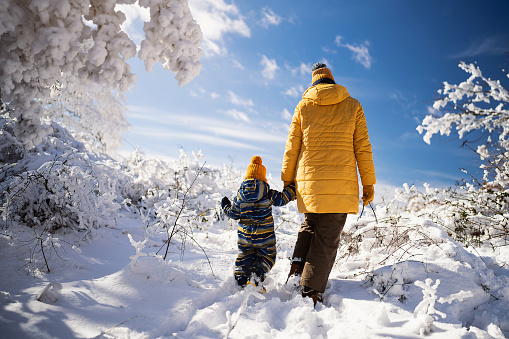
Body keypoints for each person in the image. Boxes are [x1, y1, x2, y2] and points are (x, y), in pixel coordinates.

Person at [281, 62, 376, 305]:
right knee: (326, 237)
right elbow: (362, 148)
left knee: (310, 226)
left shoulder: (303, 106)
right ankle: (309, 290)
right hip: (341, 186)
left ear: (314, 82)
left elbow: (292, 147)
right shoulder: (353, 105)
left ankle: (296, 271)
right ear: (332, 80)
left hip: (309, 183)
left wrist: (287, 180)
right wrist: (368, 184)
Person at [222, 156, 296, 288]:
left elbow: (233, 213)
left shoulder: (240, 196)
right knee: (268, 255)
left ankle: (241, 276)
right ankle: (258, 273)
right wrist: (292, 188)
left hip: (245, 237)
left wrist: (225, 205)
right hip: (264, 237)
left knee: (245, 255)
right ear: (263, 177)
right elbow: (283, 199)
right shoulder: (268, 193)